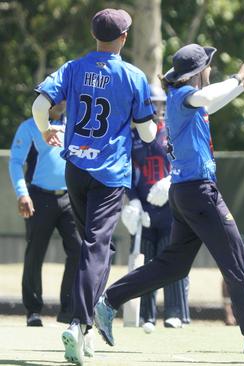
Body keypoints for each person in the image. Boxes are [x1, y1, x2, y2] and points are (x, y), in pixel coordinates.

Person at [92, 42, 244, 355]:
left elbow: (210, 103)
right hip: (199, 193)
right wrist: (239, 76)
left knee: (173, 265)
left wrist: (239, 86)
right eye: (208, 66)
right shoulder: (183, 97)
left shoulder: (185, 98)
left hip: (187, 193)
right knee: (237, 259)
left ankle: (108, 301)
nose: (211, 70)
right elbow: (206, 98)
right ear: (199, 72)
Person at [32, 8, 157, 364]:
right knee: (95, 248)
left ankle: (84, 332)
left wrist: (45, 130)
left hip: (75, 169)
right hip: (109, 172)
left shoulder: (73, 68)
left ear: (94, 36)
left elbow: (40, 103)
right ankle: (78, 322)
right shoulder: (133, 75)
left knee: (97, 249)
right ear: (123, 38)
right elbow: (148, 131)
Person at [120, 85, 190, 331]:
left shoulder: (173, 131)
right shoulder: (131, 137)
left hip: (171, 207)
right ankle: (145, 314)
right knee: (146, 262)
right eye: (153, 105)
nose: (157, 109)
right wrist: (133, 201)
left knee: (171, 260)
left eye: (160, 104)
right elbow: (126, 172)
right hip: (143, 211)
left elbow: (186, 162)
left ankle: (175, 313)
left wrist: (171, 182)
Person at [9, 101, 82, 327]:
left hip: (70, 198)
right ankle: (33, 310)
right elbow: (15, 162)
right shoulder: (29, 127)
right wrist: (22, 194)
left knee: (79, 250)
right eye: (59, 98)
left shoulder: (73, 126)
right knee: (35, 253)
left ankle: (68, 309)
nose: (64, 102)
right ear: (46, 102)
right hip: (39, 198)